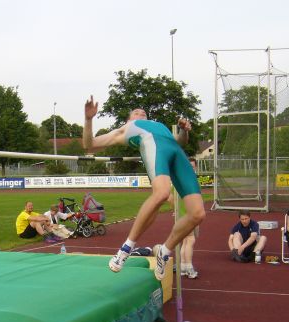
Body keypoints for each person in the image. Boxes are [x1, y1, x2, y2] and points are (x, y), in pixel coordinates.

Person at [83, 96, 205, 280]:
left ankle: (164, 251)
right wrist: (88, 119)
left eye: (143, 112)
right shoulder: (125, 129)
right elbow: (89, 145)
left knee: (198, 214)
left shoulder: (160, 126)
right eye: (136, 112)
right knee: (162, 193)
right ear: (129, 119)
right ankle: (126, 248)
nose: (140, 112)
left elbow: (180, 142)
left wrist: (183, 130)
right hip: (154, 146)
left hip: (177, 152)